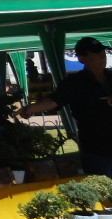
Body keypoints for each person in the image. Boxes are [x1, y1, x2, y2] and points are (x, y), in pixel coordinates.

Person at [18, 36, 112, 178]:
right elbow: (53, 101)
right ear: (82, 58)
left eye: (103, 52)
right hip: (97, 151)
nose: (102, 56)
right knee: (104, 190)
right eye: (96, 53)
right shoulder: (75, 83)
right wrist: (28, 109)